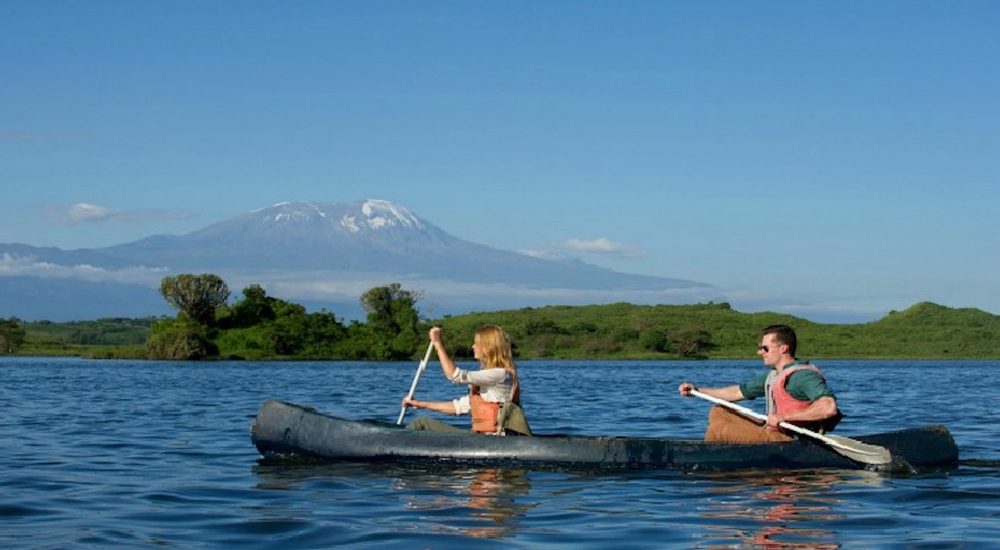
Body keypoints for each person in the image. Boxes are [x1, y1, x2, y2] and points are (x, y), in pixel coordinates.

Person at [678, 324, 841, 443]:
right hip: (774, 430)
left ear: (783, 348)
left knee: (718, 430)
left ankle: (710, 461)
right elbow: (736, 393)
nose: (759, 352)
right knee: (719, 412)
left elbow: (828, 408)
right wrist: (697, 390)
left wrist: (784, 417)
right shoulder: (774, 375)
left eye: (765, 348)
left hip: (790, 439)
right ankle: (720, 449)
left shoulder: (803, 376)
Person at [402, 325, 532, 436]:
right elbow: (458, 407)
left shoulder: (500, 375)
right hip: (480, 437)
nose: (473, 346)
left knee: (421, 424)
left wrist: (438, 344)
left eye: (477, 343)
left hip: (494, 440)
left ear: (488, 347)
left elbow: (454, 376)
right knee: (422, 422)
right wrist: (418, 404)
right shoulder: (488, 379)